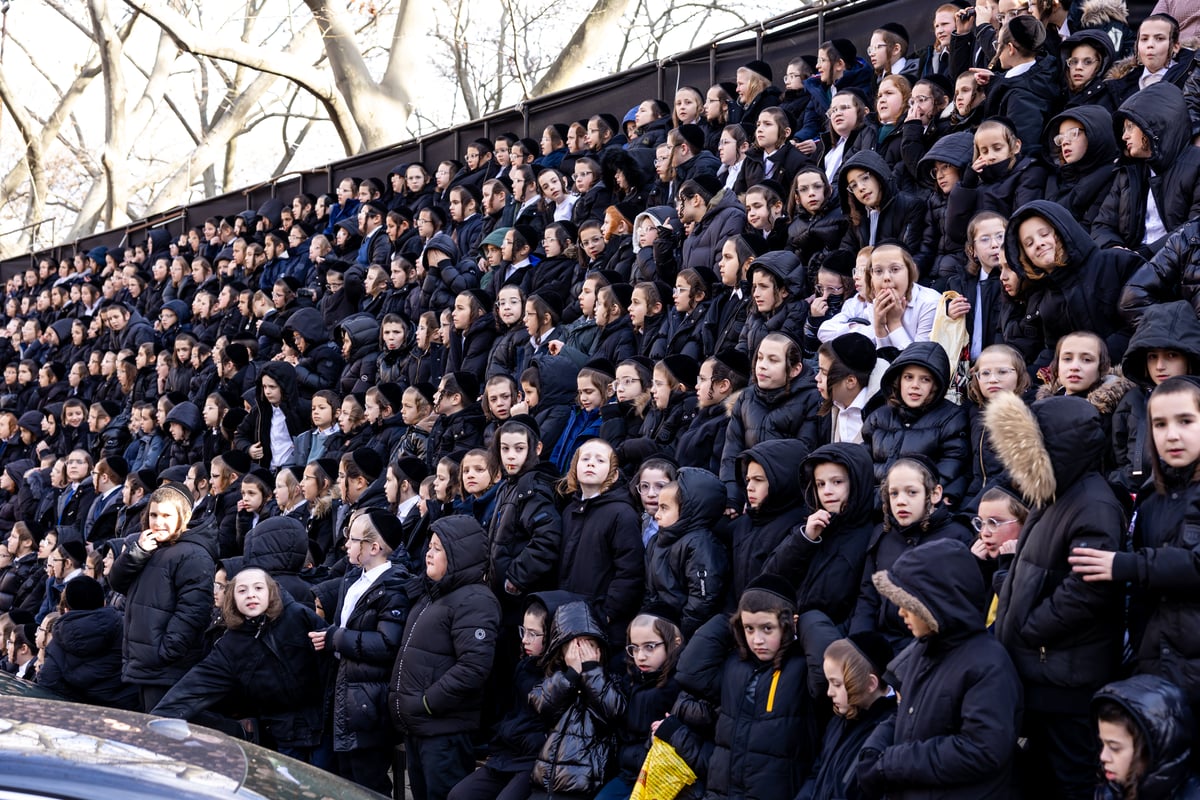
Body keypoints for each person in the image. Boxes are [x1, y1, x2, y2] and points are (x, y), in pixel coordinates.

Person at [987, 391, 1125, 799]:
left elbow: (1089, 590)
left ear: (1058, 446)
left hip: (1065, 678)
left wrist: (1030, 627)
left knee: (1070, 780)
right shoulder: (1056, 494)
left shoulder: (1094, 504)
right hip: (1044, 671)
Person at [858, 538, 1023, 799]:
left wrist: (891, 764)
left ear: (938, 604)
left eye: (909, 605)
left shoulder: (989, 664)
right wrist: (873, 749)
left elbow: (981, 750)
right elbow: (905, 713)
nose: (900, 613)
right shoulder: (924, 650)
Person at [153, 568, 328, 762]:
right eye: (242, 590)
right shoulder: (230, 646)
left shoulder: (297, 615)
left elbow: (334, 660)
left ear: (271, 592)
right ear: (233, 598)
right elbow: (194, 688)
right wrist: (152, 723)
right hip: (285, 735)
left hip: (328, 727)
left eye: (258, 588)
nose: (251, 594)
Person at [389, 515, 501, 800]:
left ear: (458, 554)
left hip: (444, 732)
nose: (428, 552)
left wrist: (427, 703)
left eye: (438, 548)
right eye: (430, 545)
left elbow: (474, 667)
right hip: (419, 728)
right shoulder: (433, 596)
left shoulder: (475, 599)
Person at [310, 508, 411, 795]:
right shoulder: (354, 579)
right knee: (345, 779)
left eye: (353, 540)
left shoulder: (394, 587)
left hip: (369, 699)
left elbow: (386, 644)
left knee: (368, 783)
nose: (346, 545)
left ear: (374, 548)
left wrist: (336, 638)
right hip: (345, 690)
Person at [107, 484, 218, 712]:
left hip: (166, 667)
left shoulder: (194, 554)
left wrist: (165, 652)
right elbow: (117, 582)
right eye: (154, 515)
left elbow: (193, 612)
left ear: (184, 517)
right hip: (142, 664)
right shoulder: (148, 546)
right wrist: (137, 552)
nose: (158, 522)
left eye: (167, 515)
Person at [35, 575, 138, 709]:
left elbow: (48, 680)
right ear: (104, 603)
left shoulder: (58, 640)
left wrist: (82, 702)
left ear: (66, 609)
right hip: (127, 711)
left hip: (80, 715)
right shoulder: (127, 627)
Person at [1091, 674, 1200, 799]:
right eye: (1102, 743)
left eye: (1115, 748)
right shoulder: (1110, 791)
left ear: (1154, 749)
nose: (1103, 756)